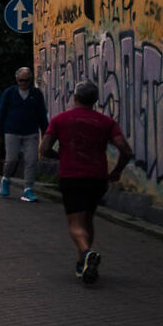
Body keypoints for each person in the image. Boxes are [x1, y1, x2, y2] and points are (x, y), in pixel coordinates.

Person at [40, 81, 132, 285]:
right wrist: (116, 171)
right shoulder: (106, 122)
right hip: (97, 178)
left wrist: (60, 156)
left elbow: (44, 148)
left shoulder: (60, 120)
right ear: (95, 100)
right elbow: (125, 150)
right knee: (88, 218)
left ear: (75, 97)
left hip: (72, 177)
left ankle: (87, 253)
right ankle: (83, 263)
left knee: (75, 223)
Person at [0, 67, 48, 202]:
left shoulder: (36, 94)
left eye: (26, 80)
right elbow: (1, 113)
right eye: (21, 80)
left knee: (31, 160)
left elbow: (42, 114)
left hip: (31, 132)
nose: (23, 83)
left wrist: (46, 133)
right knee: (11, 159)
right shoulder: (10, 93)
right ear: (17, 80)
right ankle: (6, 179)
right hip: (12, 131)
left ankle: (28, 188)